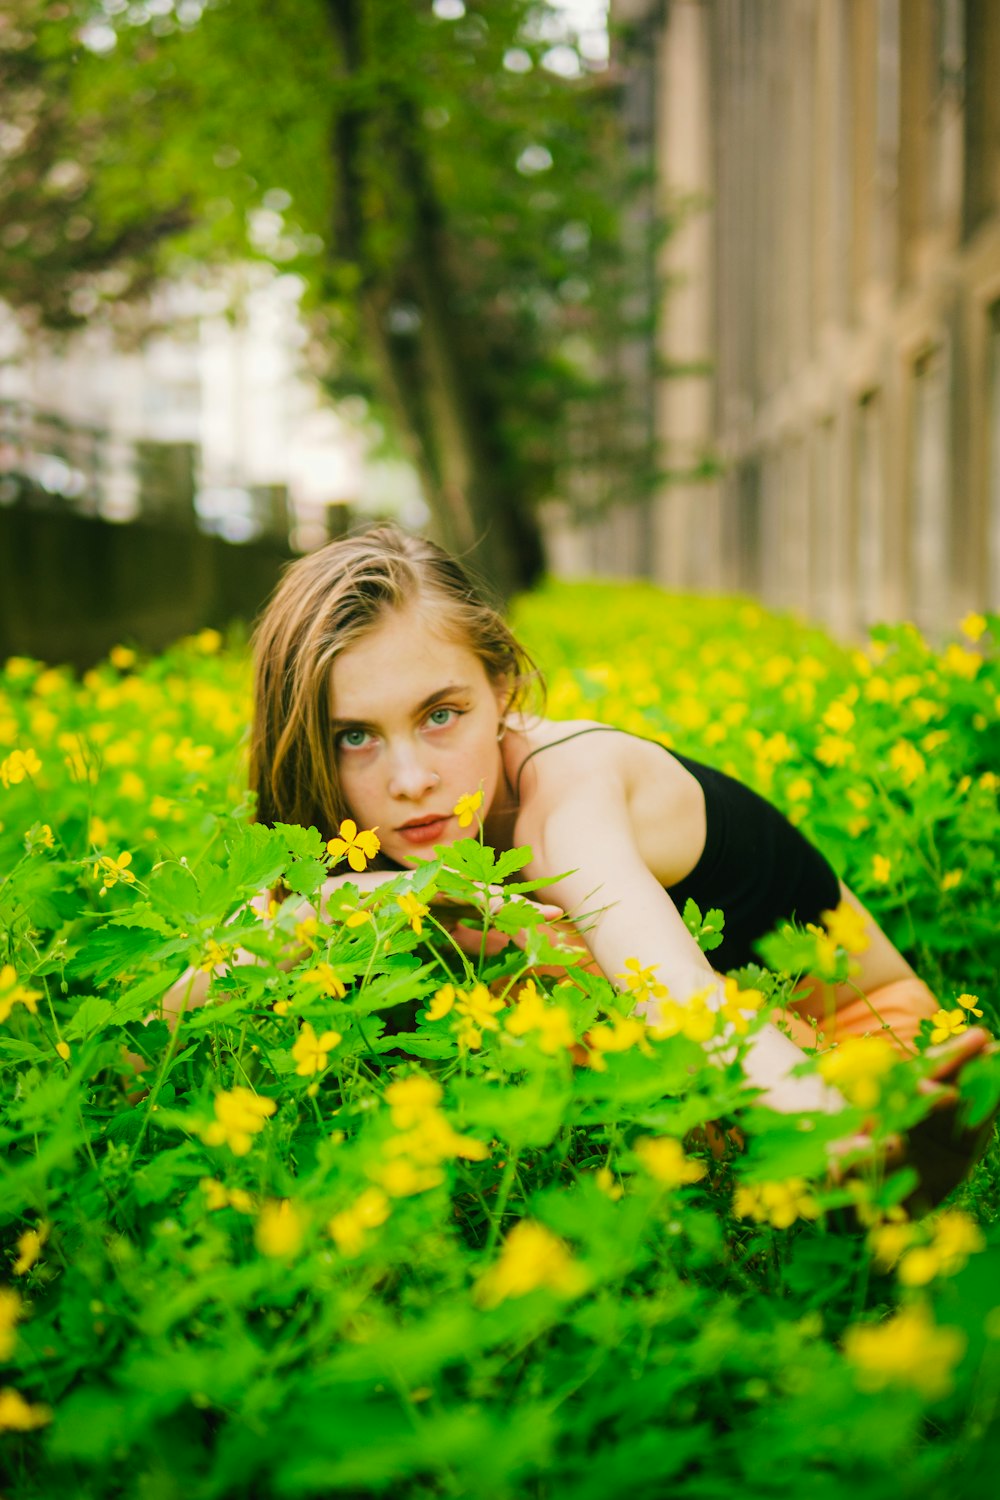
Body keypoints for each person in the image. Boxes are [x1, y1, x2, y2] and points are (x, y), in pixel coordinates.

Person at [169, 525, 993, 1203]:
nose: (409, 778)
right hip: (735, 1071)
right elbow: (171, 1015)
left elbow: (673, 992)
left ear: (504, 693)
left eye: (441, 715)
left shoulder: (567, 806)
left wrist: (826, 1117)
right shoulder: (359, 842)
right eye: (355, 736)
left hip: (870, 1050)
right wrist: (355, 904)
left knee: (549, 959)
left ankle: (850, 1163)